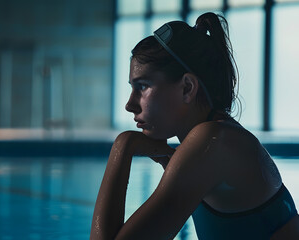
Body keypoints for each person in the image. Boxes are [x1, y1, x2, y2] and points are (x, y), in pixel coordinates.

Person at [90, 12, 299, 240]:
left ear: (187, 88)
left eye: (143, 87)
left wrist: (124, 146)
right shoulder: (219, 135)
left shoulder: (212, 142)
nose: (130, 105)